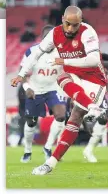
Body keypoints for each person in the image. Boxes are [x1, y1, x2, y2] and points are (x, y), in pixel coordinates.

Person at [11, 6, 107, 175]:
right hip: (73, 76)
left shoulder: (87, 32)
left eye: (75, 25)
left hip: (94, 80)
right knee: (62, 79)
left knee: (75, 117)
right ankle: (50, 164)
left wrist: (64, 62)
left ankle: (52, 160)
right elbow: (35, 54)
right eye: (68, 24)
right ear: (62, 19)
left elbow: (93, 60)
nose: (70, 29)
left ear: (81, 22)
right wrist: (21, 74)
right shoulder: (55, 33)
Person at [19, 25, 68, 163]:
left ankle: (47, 147)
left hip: (54, 89)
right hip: (35, 90)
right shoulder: (32, 51)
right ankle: (27, 151)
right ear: (42, 38)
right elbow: (22, 71)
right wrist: (27, 87)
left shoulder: (62, 52)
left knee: (61, 116)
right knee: (31, 122)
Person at [83, 53, 108, 163]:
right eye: (104, 67)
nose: (107, 70)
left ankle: (89, 150)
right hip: (83, 94)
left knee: (104, 118)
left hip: (99, 96)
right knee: (75, 122)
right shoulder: (89, 69)